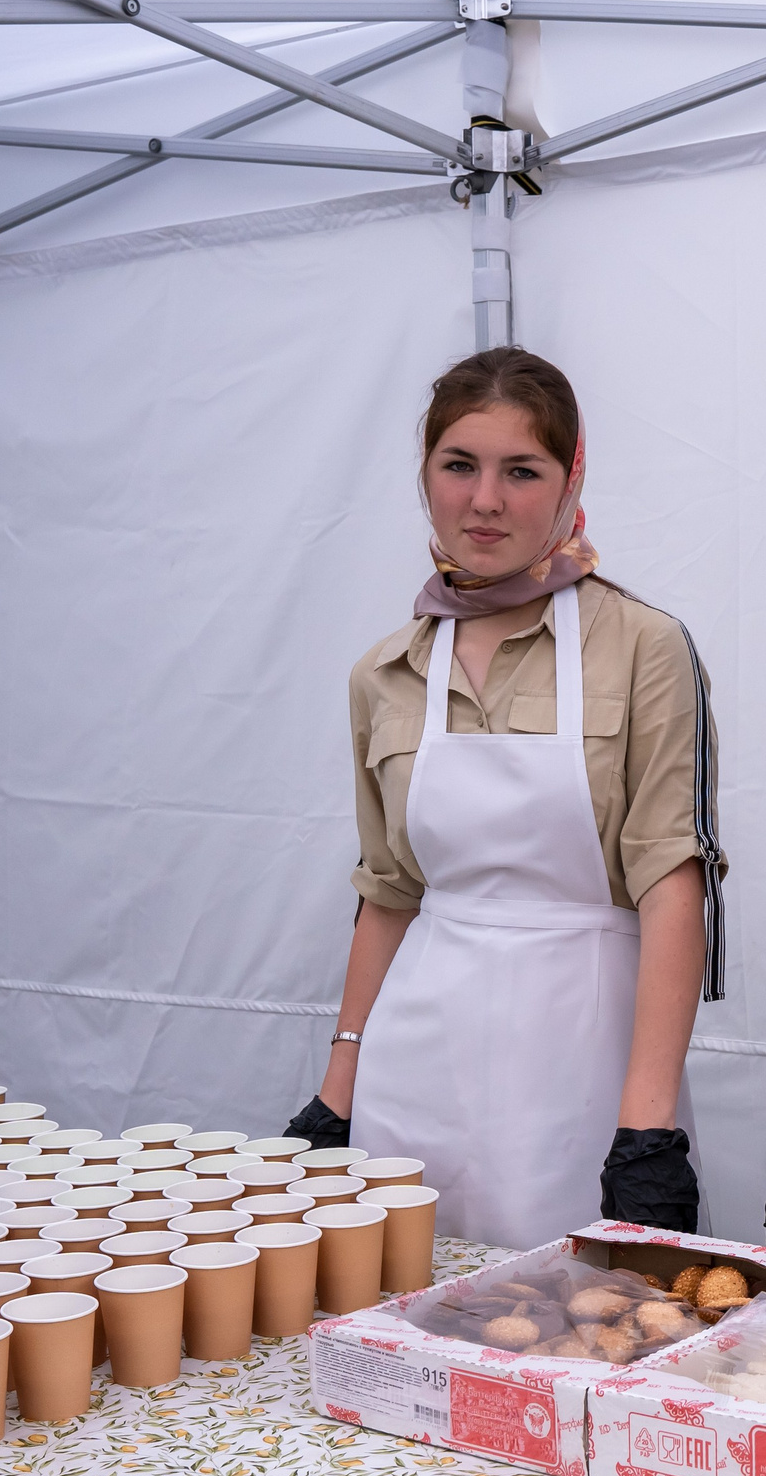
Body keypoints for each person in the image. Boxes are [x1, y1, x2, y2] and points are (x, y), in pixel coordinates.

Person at [282, 347, 725, 1248]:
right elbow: (389, 891)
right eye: (460, 466)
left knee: (581, 1344)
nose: (485, 500)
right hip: (417, 1064)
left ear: (571, 481)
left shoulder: (643, 645)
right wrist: (341, 1089)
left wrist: (647, 1132)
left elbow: (671, 877)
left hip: (583, 1068)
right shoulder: (385, 672)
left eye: (522, 471)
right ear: (425, 477)